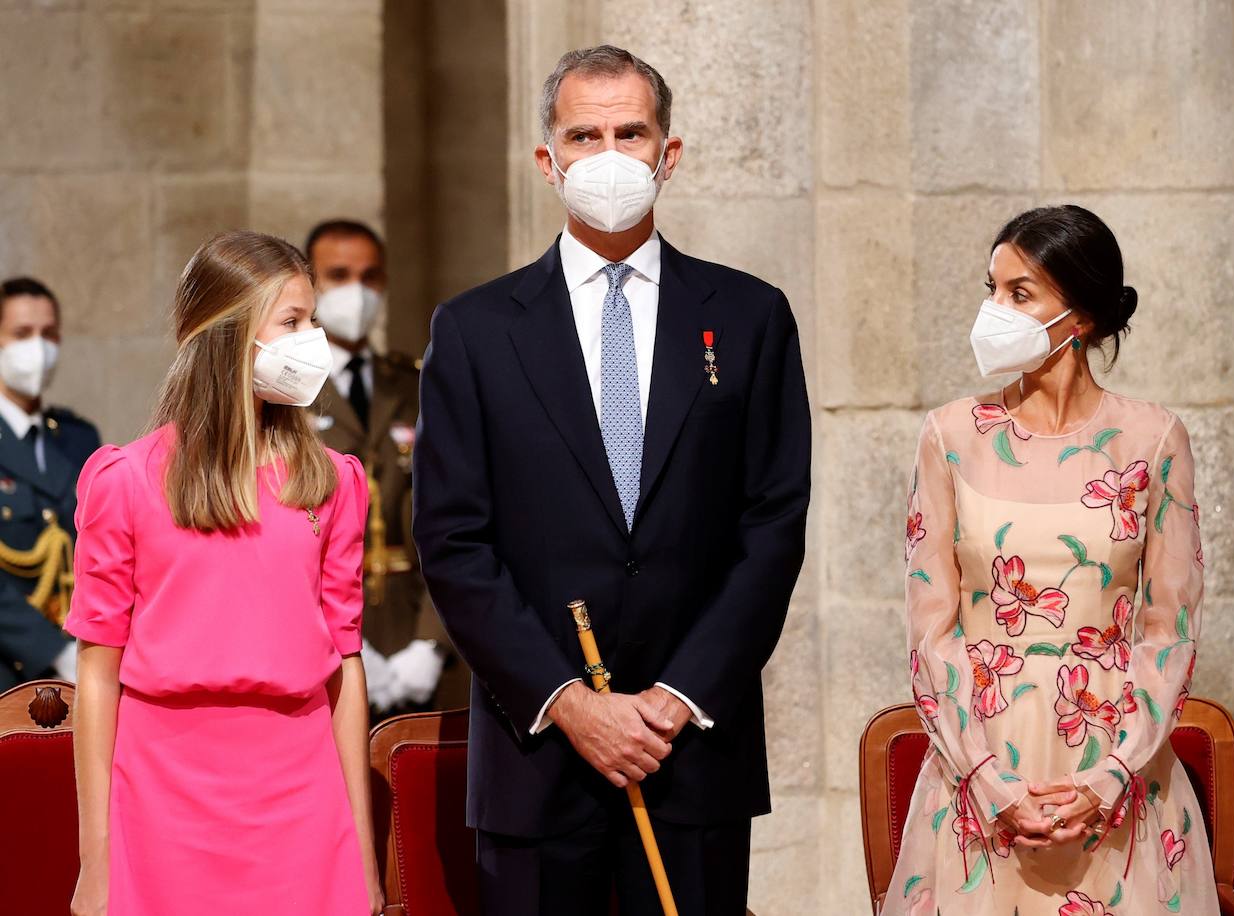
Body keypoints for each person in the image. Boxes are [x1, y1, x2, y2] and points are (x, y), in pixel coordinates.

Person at [412, 45, 811, 916]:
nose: (608, 156)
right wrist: (566, 701)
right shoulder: (476, 331)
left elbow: (772, 526)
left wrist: (678, 695)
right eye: (583, 136)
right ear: (547, 162)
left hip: (692, 753)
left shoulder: (749, 317)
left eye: (630, 133)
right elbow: (451, 540)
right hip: (538, 758)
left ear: (668, 154)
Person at [884, 205, 1217, 915]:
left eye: (1019, 293)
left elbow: (1171, 629)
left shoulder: (1154, 439)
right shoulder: (948, 437)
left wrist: (1112, 777)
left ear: (1083, 317)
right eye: (991, 289)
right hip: (978, 769)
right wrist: (988, 783)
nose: (992, 311)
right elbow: (930, 632)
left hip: (1117, 771)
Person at [65, 231, 383, 915]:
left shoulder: (333, 482)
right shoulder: (125, 481)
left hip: (301, 798)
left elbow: (344, 669)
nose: (313, 341)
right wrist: (97, 856)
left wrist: (363, 848)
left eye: (313, 321)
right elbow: (97, 671)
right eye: (292, 322)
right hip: (161, 801)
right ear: (228, 334)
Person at [303, 219, 466, 716]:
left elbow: (456, 518)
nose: (357, 290)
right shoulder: (287, 389)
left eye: (370, 277)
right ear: (308, 284)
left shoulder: (417, 384)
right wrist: (333, 642)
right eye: (338, 275)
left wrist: (432, 644)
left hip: (410, 622)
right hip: (317, 633)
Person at [0, 277, 100, 691]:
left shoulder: (78, 438)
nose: (38, 349)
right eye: (22, 334)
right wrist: (53, 651)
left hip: (78, 666)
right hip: (10, 671)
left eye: (49, 334)